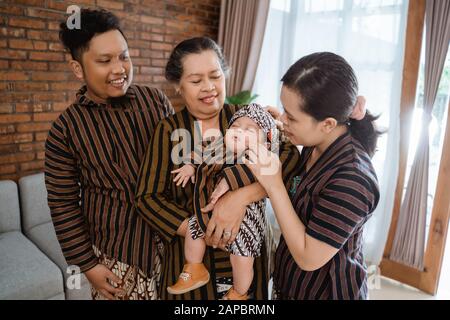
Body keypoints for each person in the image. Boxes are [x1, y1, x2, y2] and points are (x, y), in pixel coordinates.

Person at [135, 37, 300, 300]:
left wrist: (241, 197)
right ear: (178, 85)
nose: (209, 87)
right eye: (196, 80)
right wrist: (196, 227)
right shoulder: (168, 130)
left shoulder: (247, 118)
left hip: (247, 256)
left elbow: (289, 157)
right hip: (192, 264)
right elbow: (146, 198)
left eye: (215, 76)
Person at [45, 8, 173, 300]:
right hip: (117, 255)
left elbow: (180, 164)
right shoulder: (65, 130)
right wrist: (88, 264)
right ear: (78, 68)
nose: (119, 69)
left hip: (174, 242)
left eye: (124, 56)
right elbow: (63, 204)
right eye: (104, 61)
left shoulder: (155, 101)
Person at [244, 52, 381, 300]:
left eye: (291, 117)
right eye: (284, 110)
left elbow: (309, 257)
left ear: (327, 124)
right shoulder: (315, 143)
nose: (283, 120)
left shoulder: (353, 180)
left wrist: (274, 185)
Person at [167, 104, 280, 300]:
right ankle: (194, 267)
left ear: (265, 141)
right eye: (235, 126)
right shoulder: (219, 146)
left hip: (248, 222)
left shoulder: (262, 157)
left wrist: (227, 181)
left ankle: (239, 292)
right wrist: (190, 166)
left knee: (242, 258)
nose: (239, 131)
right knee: (195, 227)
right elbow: (201, 152)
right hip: (212, 212)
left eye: (249, 130)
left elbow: (257, 174)